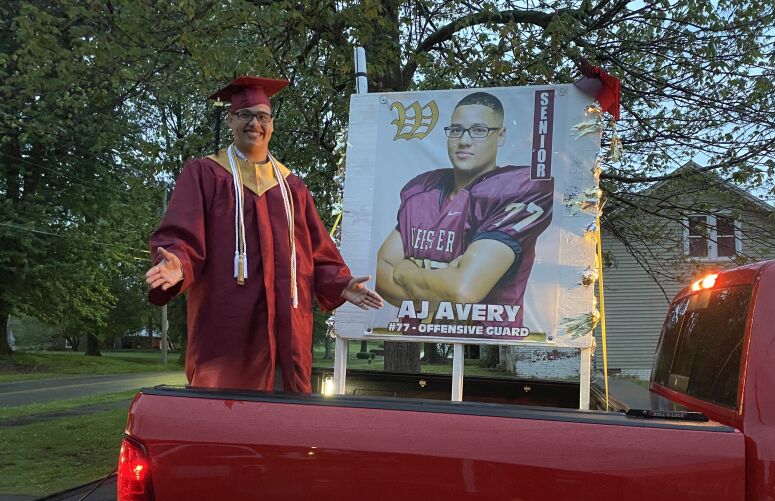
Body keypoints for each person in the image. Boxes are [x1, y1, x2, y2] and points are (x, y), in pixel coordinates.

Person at [146, 76, 382, 392]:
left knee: (285, 423)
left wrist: (340, 283)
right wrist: (177, 264)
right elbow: (183, 235)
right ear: (230, 119)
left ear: (271, 123)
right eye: (245, 115)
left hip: (288, 331)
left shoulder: (291, 187)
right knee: (226, 419)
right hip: (228, 330)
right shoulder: (205, 175)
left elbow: (316, 252)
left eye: (262, 116)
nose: (254, 123)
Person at [375, 91, 553, 329]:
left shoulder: (519, 189)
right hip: (418, 332)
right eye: (457, 130)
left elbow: (463, 289)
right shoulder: (422, 190)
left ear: (500, 136)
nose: (464, 141)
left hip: (487, 340)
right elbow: (381, 272)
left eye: (479, 130)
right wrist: (441, 288)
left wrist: (405, 272)